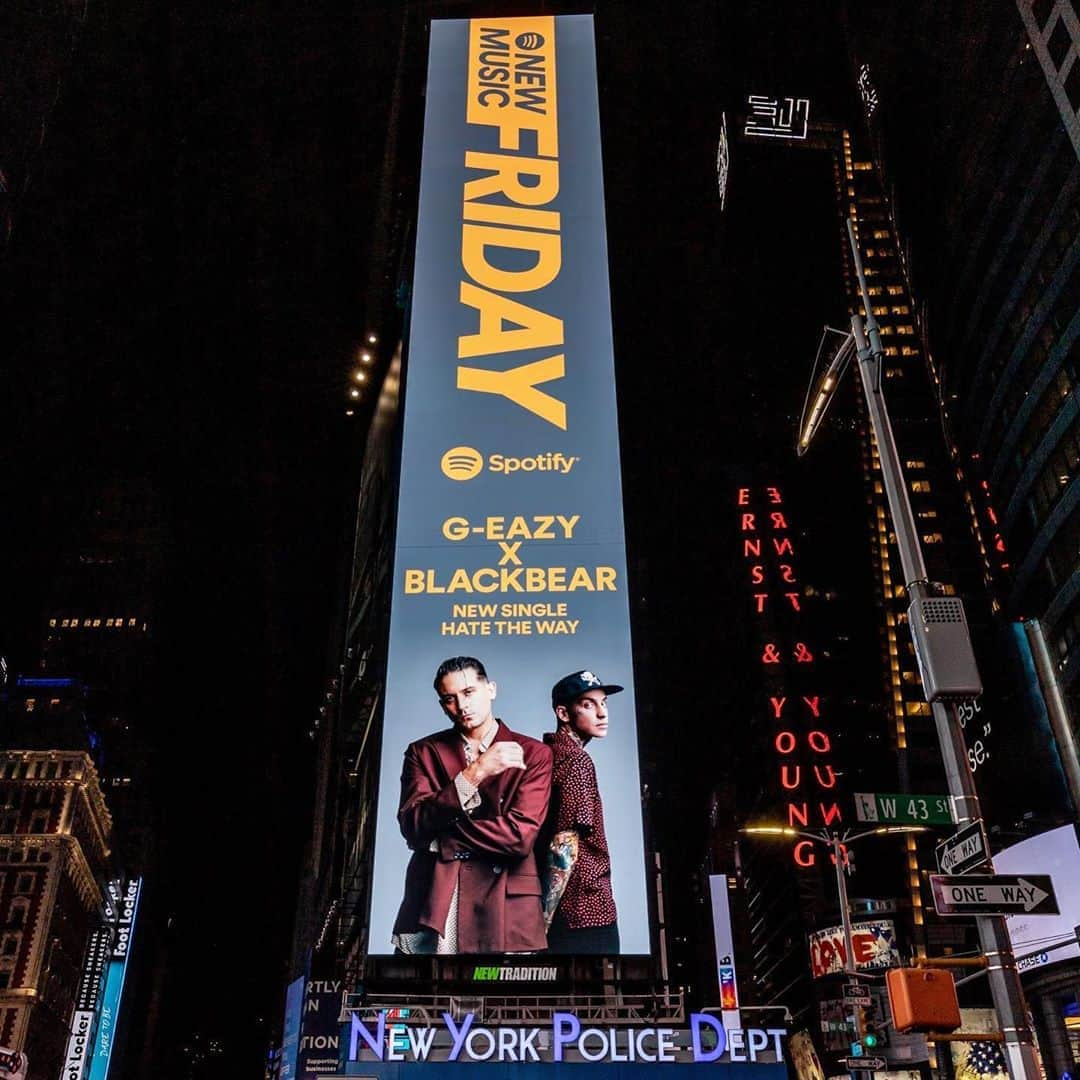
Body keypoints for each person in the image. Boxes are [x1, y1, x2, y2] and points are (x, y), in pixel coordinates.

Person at [392, 656, 553, 954]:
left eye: (468, 693)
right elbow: (413, 827)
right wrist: (475, 772)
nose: (461, 706)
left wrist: (444, 838)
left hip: (507, 903)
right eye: (449, 699)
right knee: (421, 994)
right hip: (438, 898)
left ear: (490, 689)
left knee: (509, 998)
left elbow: (519, 837)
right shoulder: (423, 752)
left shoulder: (533, 753)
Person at [541, 669, 622, 954]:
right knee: (603, 998)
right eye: (589, 705)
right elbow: (564, 844)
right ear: (563, 713)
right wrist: (544, 919)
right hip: (586, 913)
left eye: (604, 703)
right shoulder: (577, 761)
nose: (602, 713)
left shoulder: (547, 754)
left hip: (567, 914)